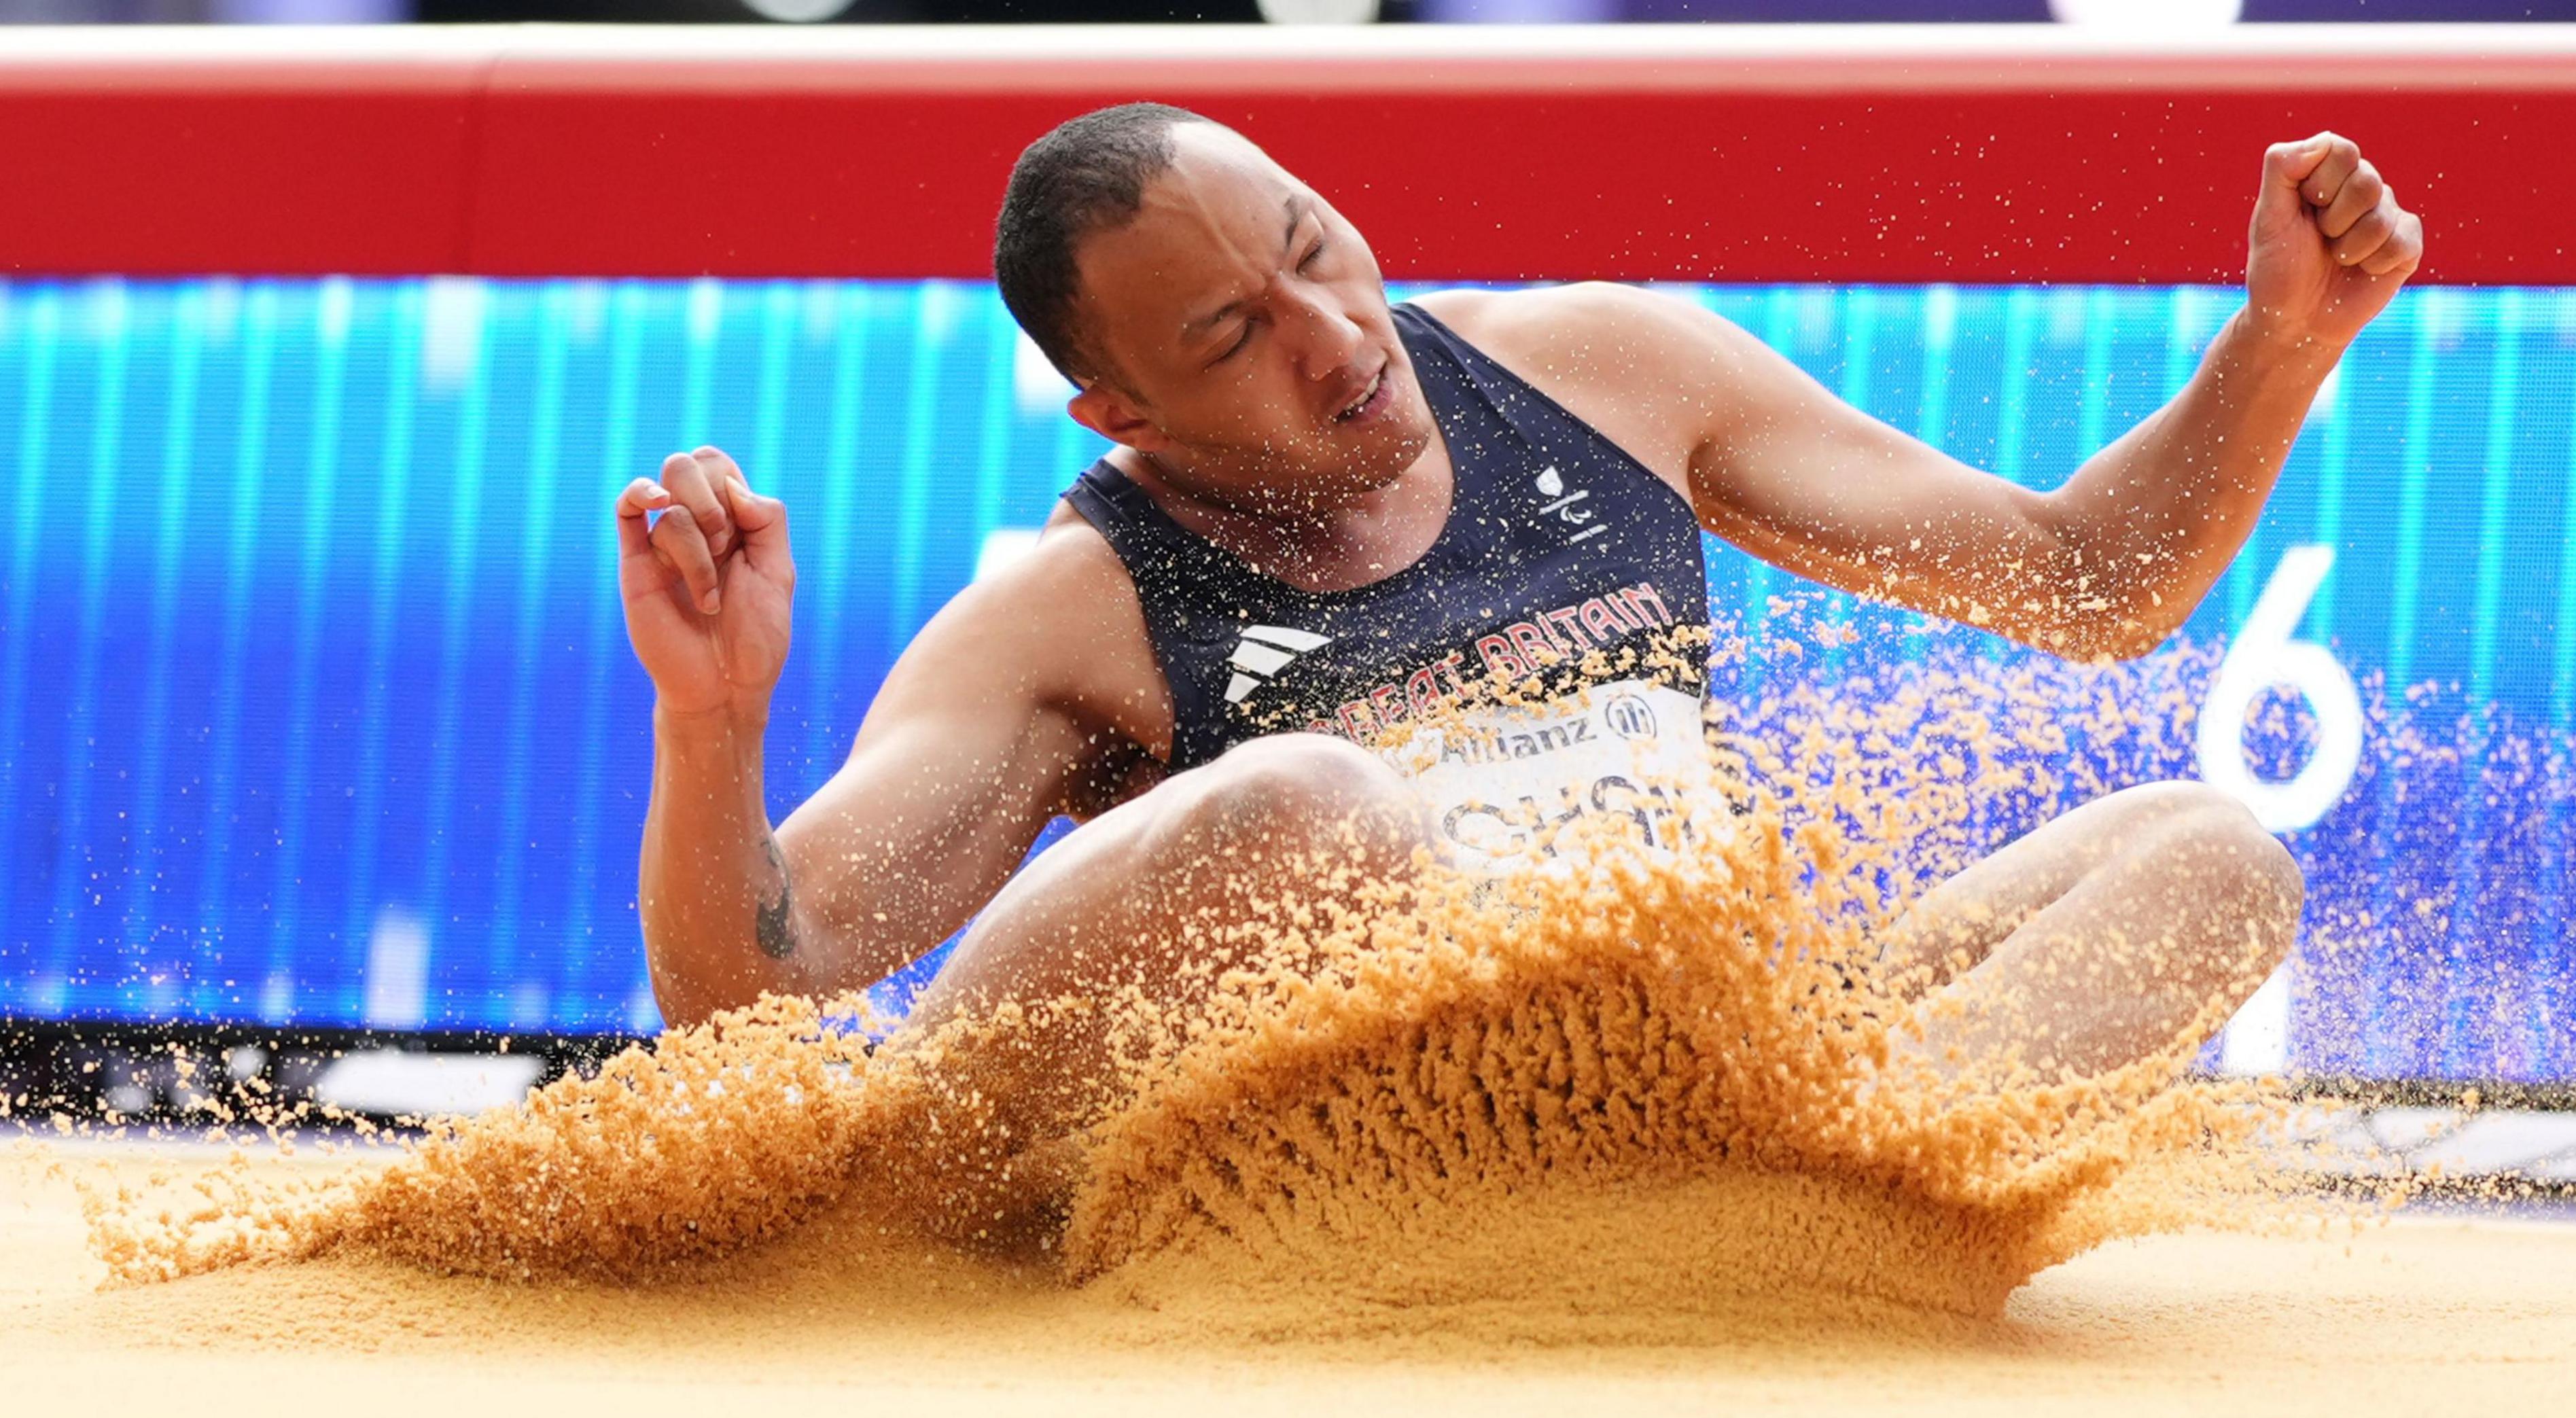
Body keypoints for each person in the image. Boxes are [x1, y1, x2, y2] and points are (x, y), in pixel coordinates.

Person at [614, 104, 2420, 1150]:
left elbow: (2090, 581)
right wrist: (714, 725)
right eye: (1235, 336)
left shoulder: (1609, 369)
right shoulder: (1069, 611)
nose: (1335, 336)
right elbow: (757, 979)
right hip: (1357, 1149)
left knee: (2209, 854)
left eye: (1317, 247)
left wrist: (2280, 345)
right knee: (1310, 805)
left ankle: (1844, 1187)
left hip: (1715, 1081)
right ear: (1126, 420)